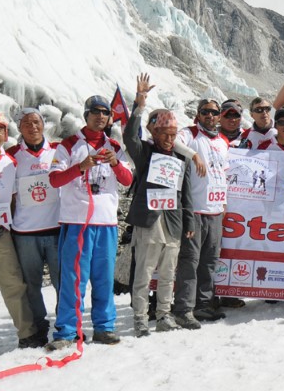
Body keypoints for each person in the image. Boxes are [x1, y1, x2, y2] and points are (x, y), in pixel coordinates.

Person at [46, 95, 133, 350]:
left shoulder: (113, 145)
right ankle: (67, 330)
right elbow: (54, 180)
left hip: (106, 223)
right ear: (86, 115)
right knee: (74, 279)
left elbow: (127, 180)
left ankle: (104, 327)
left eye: (105, 113)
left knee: (104, 279)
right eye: (95, 112)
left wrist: (115, 163)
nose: (100, 116)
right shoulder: (69, 144)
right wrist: (80, 167)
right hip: (77, 223)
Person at [124, 74, 197, 336]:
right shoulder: (144, 153)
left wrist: (189, 221)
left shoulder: (180, 158)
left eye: (173, 135)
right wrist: (139, 104)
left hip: (173, 223)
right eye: (165, 134)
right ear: (155, 133)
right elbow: (129, 137)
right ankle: (140, 319)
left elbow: (185, 193)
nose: (169, 139)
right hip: (149, 222)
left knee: (168, 274)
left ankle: (164, 315)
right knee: (144, 274)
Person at [0, 112, 42, 350]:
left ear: (5, 135)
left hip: (0, 234)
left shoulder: (10, 162)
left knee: (14, 284)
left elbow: (14, 198)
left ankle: (27, 334)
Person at [7, 108, 60, 345]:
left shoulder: (59, 150)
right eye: (27, 123)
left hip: (57, 229)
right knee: (31, 285)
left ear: (43, 124)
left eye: (36, 122)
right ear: (19, 128)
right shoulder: (11, 155)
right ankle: (39, 326)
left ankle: (65, 324)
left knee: (63, 282)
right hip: (25, 232)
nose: (33, 127)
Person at [175, 99, 229, 322]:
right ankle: (184, 308)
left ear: (219, 116)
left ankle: (203, 304)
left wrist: (224, 202)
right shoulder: (190, 133)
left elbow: (224, 173)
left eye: (214, 112)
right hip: (195, 210)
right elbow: (174, 143)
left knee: (209, 261)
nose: (210, 115)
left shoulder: (223, 141)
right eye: (205, 112)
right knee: (190, 261)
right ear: (198, 114)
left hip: (215, 210)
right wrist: (194, 155)